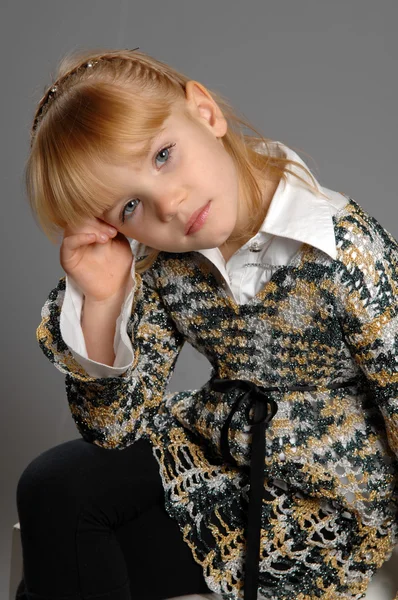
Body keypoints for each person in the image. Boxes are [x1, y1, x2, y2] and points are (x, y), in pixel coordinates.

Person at [16, 47, 398, 600]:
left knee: (63, 564)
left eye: (164, 155)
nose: (168, 204)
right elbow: (115, 429)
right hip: (221, 455)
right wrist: (103, 300)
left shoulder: (345, 252)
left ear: (205, 113)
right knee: (54, 490)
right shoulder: (166, 262)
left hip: (326, 508)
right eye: (129, 207)